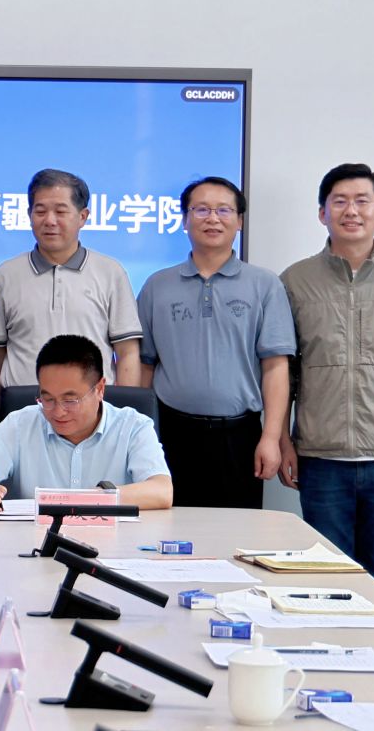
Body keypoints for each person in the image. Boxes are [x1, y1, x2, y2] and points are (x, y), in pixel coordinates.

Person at [278, 162, 374, 597]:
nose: (351, 211)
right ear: (322, 213)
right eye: (340, 201)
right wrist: (283, 439)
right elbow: (285, 367)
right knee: (325, 582)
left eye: (362, 201)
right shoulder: (295, 280)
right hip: (321, 458)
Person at [135, 176, 293, 509]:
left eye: (223, 210)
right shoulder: (157, 286)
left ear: (239, 221)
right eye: (201, 209)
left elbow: (276, 367)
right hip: (171, 434)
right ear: (184, 219)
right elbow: (144, 365)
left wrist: (271, 437)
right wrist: (139, 436)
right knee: (168, 530)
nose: (212, 218)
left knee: (237, 532)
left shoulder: (265, 285)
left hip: (240, 436)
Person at [0, 168, 143, 432]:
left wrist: (121, 425)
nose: (49, 220)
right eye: (40, 211)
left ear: (83, 216)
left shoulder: (110, 272)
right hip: (22, 415)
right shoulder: (7, 275)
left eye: (60, 211)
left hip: (92, 416)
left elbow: (127, 353)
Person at [0, 334, 173, 510]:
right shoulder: (21, 423)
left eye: (70, 400)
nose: (58, 412)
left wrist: (95, 498)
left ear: (100, 389)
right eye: (47, 399)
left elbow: (162, 491)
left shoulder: (133, 426)